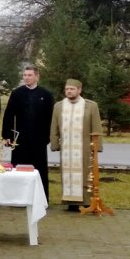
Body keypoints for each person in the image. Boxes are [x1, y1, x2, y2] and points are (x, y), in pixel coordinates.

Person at [50, 78, 103, 210]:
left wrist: (97, 147)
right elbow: (54, 127)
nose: (69, 91)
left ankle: (86, 202)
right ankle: (70, 203)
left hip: (84, 147)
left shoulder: (91, 106)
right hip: (66, 148)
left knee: (86, 173)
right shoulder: (58, 106)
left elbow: (96, 127)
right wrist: (55, 144)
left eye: (72, 89)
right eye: (67, 89)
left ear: (79, 90)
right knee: (67, 173)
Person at [3, 65, 56, 196]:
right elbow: (8, 115)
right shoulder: (17, 94)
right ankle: (17, 197)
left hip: (39, 139)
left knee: (39, 169)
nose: (26, 78)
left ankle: (40, 197)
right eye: (25, 75)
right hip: (19, 138)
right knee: (18, 168)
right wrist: (7, 135)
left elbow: (51, 118)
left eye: (29, 75)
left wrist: (48, 137)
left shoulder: (46, 95)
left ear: (37, 76)